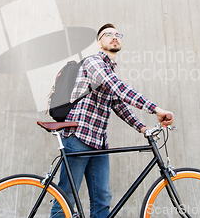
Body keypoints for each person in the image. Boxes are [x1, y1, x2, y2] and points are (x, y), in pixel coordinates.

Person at [50, 23, 174, 218]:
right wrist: (155, 109)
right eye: (108, 35)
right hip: (78, 137)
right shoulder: (93, 63)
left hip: (99, 143)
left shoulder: (109, 70)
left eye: (118, 34)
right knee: (65, 201)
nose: (114, 37)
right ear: (99, 44)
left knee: (102, 200)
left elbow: (118, 104)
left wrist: (142, 128)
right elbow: (117, 88)